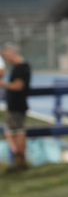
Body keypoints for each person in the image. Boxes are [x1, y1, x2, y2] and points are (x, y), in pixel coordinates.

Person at [0, 43, 32, 172]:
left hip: (16, 105)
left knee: (15, 132)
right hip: (18, 104)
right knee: (15, 131)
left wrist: (2, 83)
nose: (5, 59)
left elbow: (18, 86)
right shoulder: (22, 66)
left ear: (12, 53)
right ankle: (20, 160)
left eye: (6, 55)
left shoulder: (20, 68)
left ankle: (20, 160)